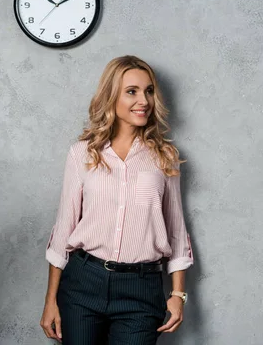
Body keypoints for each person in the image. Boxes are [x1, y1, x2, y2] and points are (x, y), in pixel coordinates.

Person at [40, 55, 194, 344]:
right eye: (132, 91)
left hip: (141, 289)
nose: (144, 100)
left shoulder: (165, 157)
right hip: (83, 283)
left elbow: (176, 230)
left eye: (149, 91)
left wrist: (177, 294)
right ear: (112, 96)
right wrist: (51, 301)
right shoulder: (82, 154)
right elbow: (63, 228)